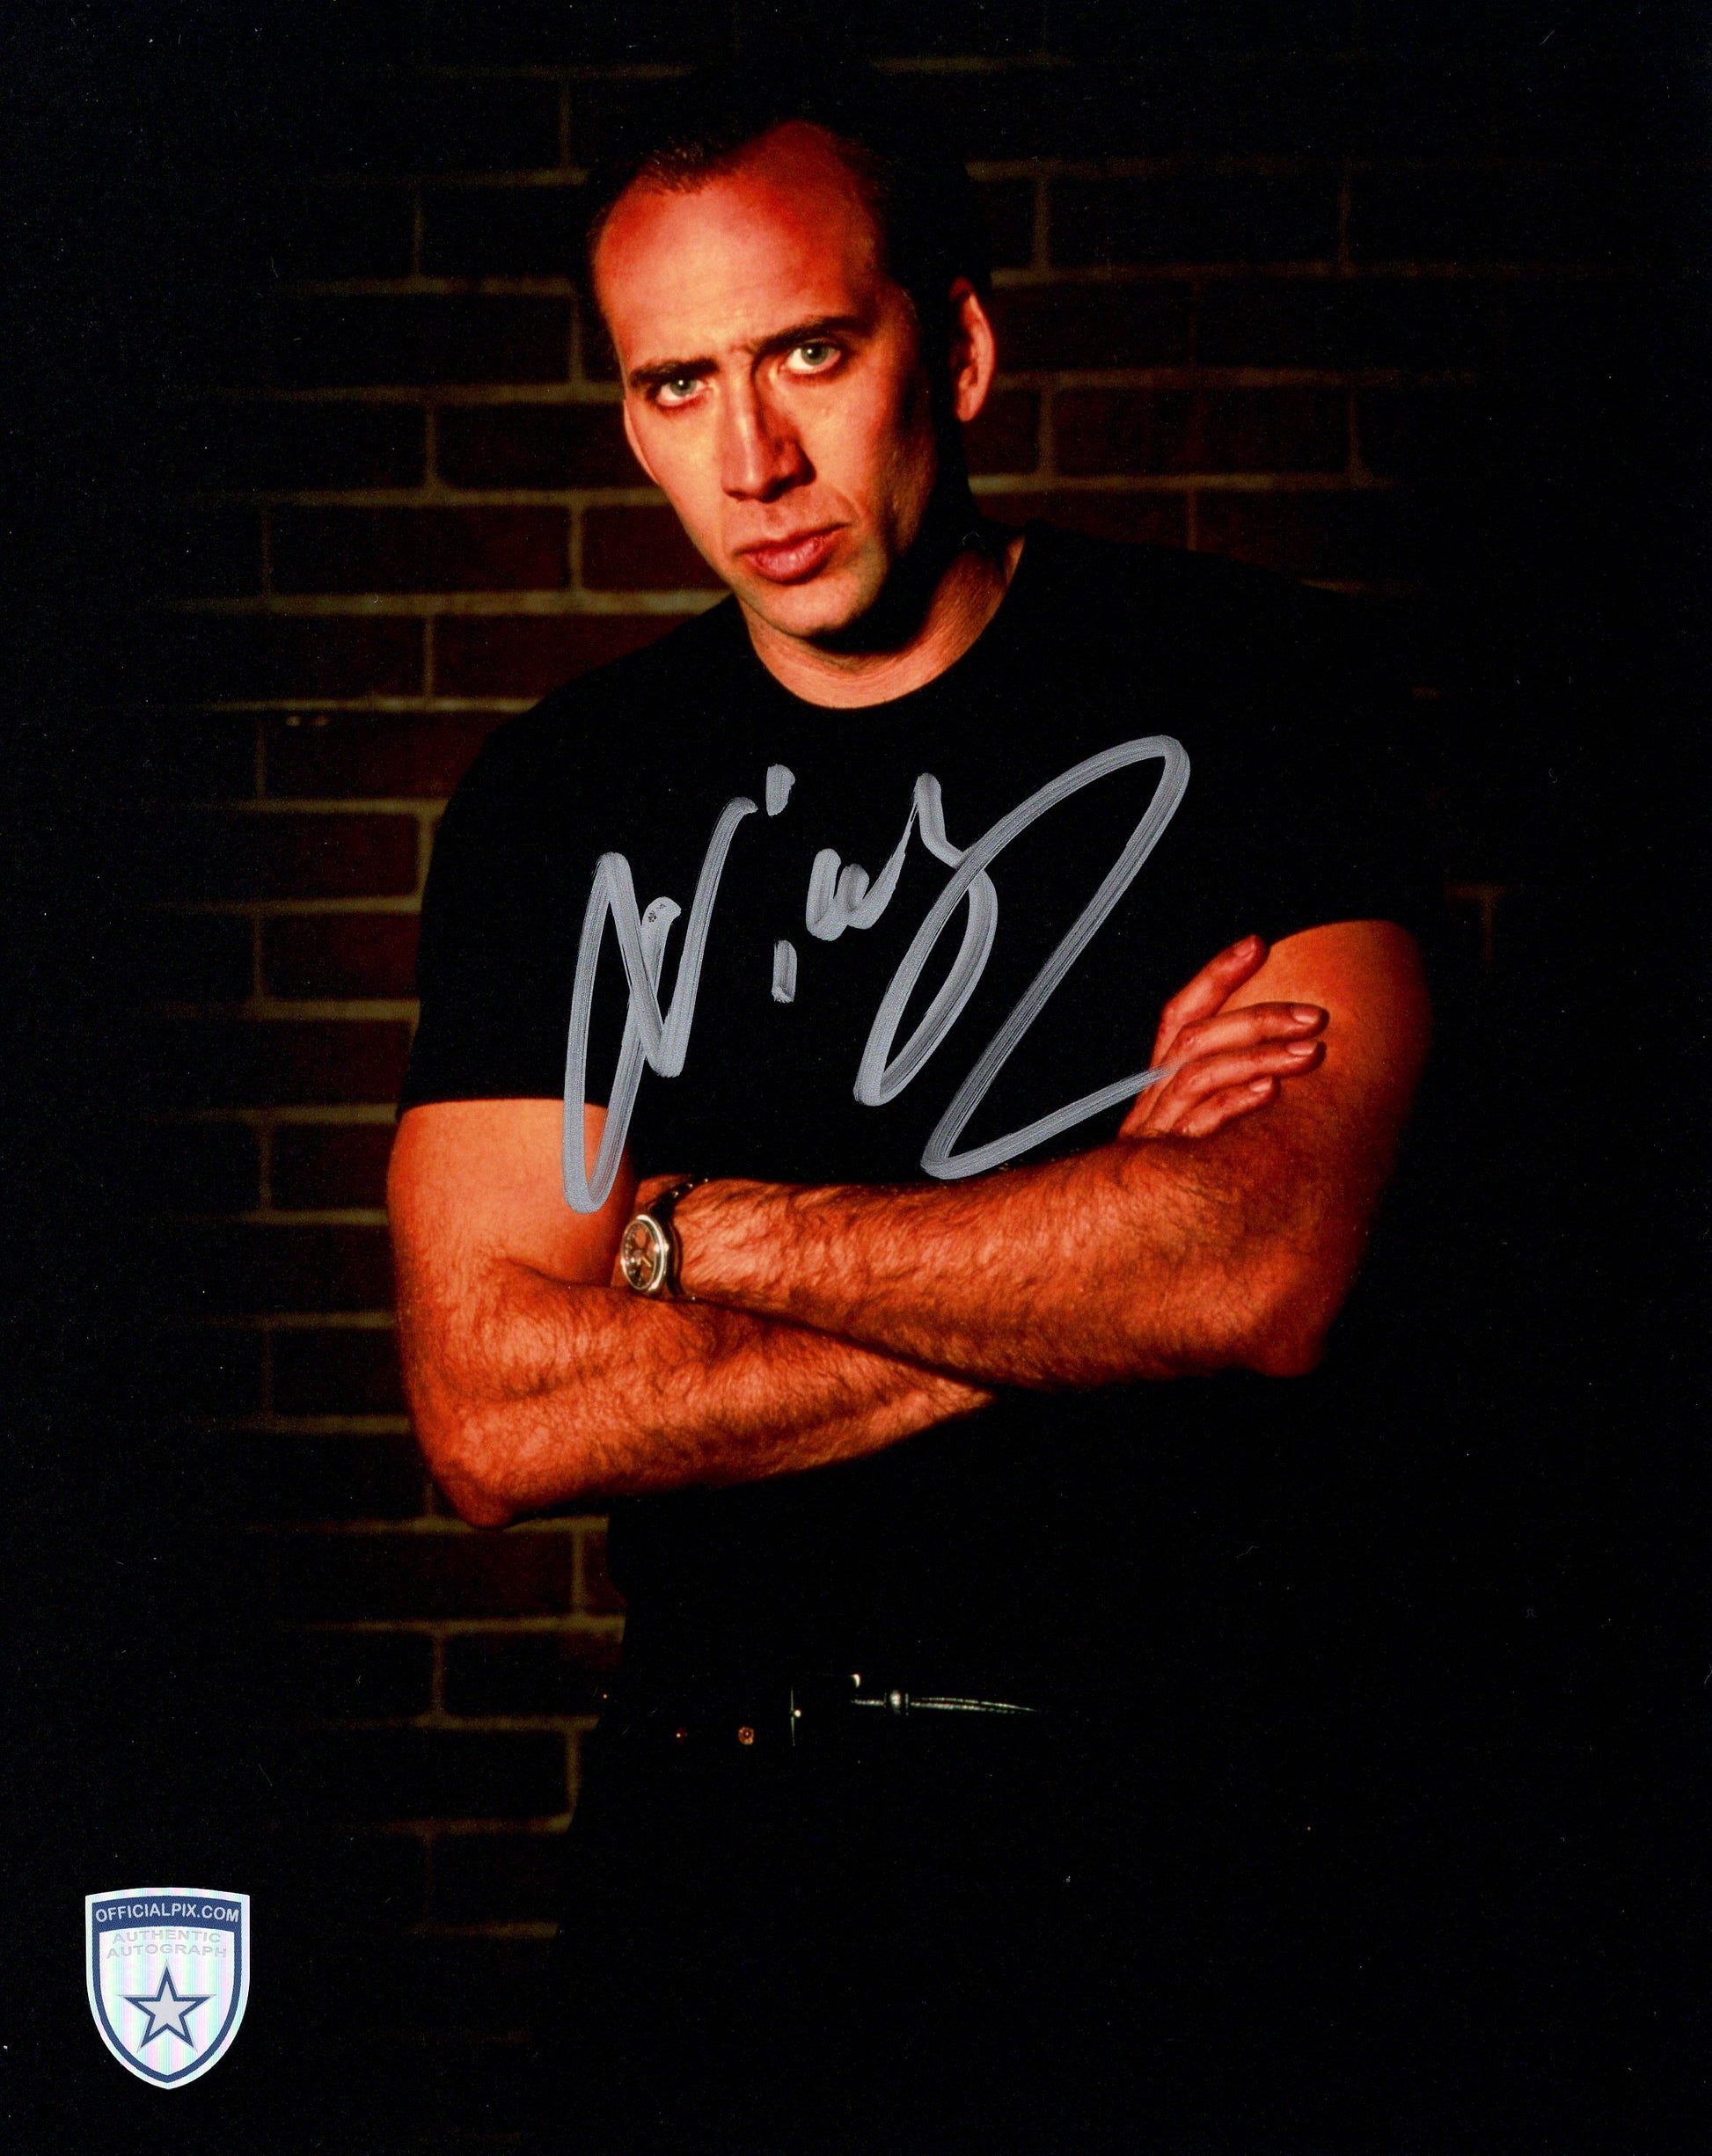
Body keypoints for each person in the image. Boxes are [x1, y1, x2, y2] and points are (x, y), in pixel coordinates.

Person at [388, 57, 1436, 2156]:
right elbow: (493, 1410)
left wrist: (692, 1226)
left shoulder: (1253, 687)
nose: (752, 458)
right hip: (718, 1851)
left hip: (1181, 1832)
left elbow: (1261, 1269)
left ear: (950, 350)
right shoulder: (559, 800)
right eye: (676, 384)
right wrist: (1099, 1227)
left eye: (808, 352)